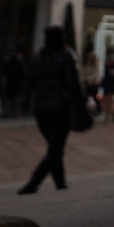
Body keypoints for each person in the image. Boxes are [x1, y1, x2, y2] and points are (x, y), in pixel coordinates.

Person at [18, 26, 83, 194]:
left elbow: (30, 83)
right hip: (60, 108)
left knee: (54, 146)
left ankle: (60, 182)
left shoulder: (37, 58)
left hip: (40, 108)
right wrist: (81, 103)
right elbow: (74, 83)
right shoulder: (67, 55)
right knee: (56, 148)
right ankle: (33, 183)